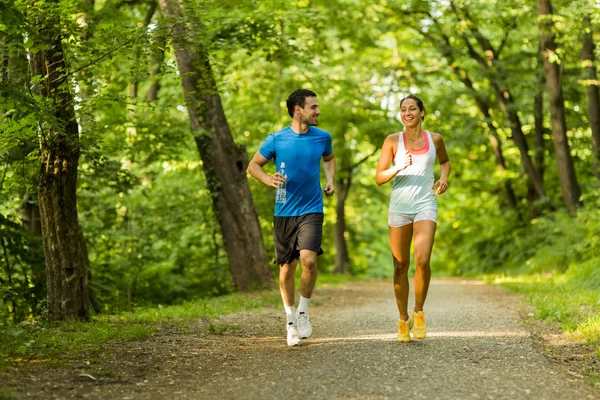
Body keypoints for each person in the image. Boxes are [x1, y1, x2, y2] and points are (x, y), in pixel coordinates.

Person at [247, 88, 336, 347]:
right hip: (284, 210)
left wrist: (330, 181)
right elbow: (253, 166)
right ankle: (290, 322)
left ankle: (303, 312)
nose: (318, 111)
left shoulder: (322, 137)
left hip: (312, 209)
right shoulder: (276, 139)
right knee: (287, 268)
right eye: (313, 107)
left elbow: (329, 159)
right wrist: (267, 179)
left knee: (308, 260)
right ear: (298, 110)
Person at [375, 94, 450, 343]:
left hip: (425, 203)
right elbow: (379, 177)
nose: (407, 113)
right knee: (400, 265)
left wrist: (443, 178)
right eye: (403, 109)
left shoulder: (435, 139)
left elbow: (445, 162)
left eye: (412, 109)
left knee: (422, 259)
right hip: (399, 206)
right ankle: (402, 318)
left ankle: (418, 312)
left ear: (422, 112)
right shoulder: (392, 140)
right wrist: (397, 167)